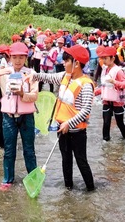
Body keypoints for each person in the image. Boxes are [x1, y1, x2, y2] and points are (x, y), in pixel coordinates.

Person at [26, 44, 95, 191]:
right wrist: (34, 75)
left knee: (81, 161)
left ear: (76, 63)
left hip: (77, 132)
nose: (62, 63)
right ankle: (68, 188)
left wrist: (69, 123)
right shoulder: (65, 76)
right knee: (66, 160)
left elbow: (86, 110)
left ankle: (91, 190)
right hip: (61, 129)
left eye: (66, 60)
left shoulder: (86, 84)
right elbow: (48, 77)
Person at [0, 42, 38, 191]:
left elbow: (34, 96)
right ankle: (7, 179)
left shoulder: (31, 74)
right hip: (8, 117)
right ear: (10, 57)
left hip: (27, 117)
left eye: (21, 57)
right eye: (14, 57)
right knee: (9, 150)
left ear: (26, 57)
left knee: (29, 150)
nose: (17, 60)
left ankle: (33, 179)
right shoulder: (4, 73)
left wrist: (22, 94)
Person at [94, 46, 125, 141]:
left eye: (105, 58)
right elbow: (104, 87)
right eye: (102, 58)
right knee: (106, 123)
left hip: (117, 102)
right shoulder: (105, 70)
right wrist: (93, 93)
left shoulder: (118, 71)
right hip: (106, 101)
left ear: (112, 58)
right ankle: (106, 143)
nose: (103, 60)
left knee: (119, 123)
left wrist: (115, 82)